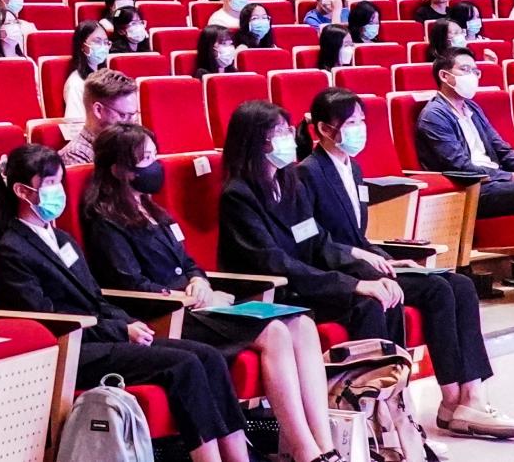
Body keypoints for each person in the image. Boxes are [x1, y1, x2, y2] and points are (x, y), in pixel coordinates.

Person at [83, 125, 341, 462]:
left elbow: (189, 263)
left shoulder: (155, 210)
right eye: (145, 159)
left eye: (154, 155)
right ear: (120, 169)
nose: (156, 165)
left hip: (199, 303)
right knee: (275, 332)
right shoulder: (105, 220)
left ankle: (324, 444)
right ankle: (304, 451)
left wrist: (199, 282)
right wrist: (182, 295)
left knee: (302, 324)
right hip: (166, 314)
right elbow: (129, 283)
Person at [0, 143, 260, 462]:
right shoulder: (11, 249)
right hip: (73, 348)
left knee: (209, 356)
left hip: (103, 335)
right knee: (183, 364)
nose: (57, 191)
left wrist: (127, 321)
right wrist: (119, 330)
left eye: (59, 181)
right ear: (22, 191)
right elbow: (46, 317)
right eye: (49, 183)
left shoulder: (63, 239)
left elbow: (95, 297)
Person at [297, 90, 514, 439]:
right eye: (351, 123)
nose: (360, 130)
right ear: (325, 129)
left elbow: (357, 235)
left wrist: (386, 257)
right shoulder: (307, 174)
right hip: (343, 271)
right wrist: (359, 256)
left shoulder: (353, 168)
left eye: (362, 122)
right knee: (436, 289)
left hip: (367, 263)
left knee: (460, 284)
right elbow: (314, 242)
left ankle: (471, 396)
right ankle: (451, 398)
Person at [413, 50, 514, 225]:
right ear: (444, 76)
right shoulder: (434, 115)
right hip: (471, 186)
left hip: (494, 179)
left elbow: (501, 148)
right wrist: (510, 176)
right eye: (465, 69)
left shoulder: (472, 107)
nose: (472, 76)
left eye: (475, 71)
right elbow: (460, 165)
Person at [62, 69, 138, 165]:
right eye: (124, 115)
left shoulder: (129, 144)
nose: (133, 122)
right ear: (98, 110)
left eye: (134, 114)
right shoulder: (75, 156)